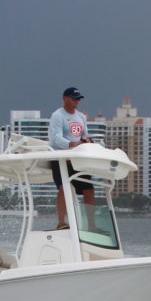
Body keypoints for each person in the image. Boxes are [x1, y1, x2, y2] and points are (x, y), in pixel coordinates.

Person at [49, 86, 96, 230]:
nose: (77, 101)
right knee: (64, 188)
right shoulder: (57, 115)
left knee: (89, 190)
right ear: (66, 99)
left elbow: (84, 134)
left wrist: (86, 140)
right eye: (75, 98)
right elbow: (56, 138)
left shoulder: (81, 116)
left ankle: (91, 226)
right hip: (61, 158)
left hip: (78, 158)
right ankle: (61, 222)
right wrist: (72, 144)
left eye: (79, 98)